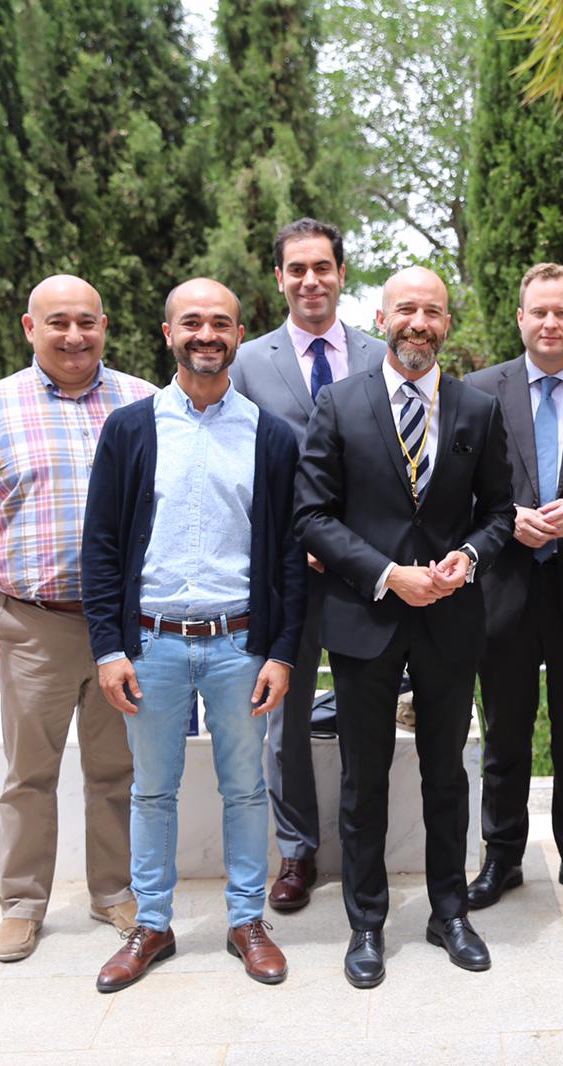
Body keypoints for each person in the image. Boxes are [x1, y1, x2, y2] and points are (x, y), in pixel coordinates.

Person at [82, 278, 305, 991]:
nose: (206, 334)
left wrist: (282, 652)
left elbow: (289, 556)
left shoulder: (271, 436)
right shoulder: (131, 429)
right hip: (152, 645)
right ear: (167, 332)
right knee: (152, 792)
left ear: (239, 334)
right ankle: (151, 923)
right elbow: (102, 547)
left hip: (240, 643)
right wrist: (109, 648)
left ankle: (247, 922)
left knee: (246, 790)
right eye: (192, 322)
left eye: (220, 323)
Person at [0, 274, 153, 963]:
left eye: (86, 322)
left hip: (124, 625)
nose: (74, 336)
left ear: (104, 325)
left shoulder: (144, 401)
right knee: (29, 775)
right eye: (58, 322)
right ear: (30, 327)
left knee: (116, 770)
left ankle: (115, 892)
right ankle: (21, 905)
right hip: (34, 625)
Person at [294, 266, 514, 988]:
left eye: (434, 311)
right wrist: (389, 574)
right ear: (382, 317)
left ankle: (450, 912)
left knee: (446, 775)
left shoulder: (478, 410)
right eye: (407, 309)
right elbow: (312, 515)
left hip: (451, 619)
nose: (420, 322)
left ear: (447, 323)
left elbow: (499, 513)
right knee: (363, 781)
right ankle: (366, 923)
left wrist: (468, 557)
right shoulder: (339, 403)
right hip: (366, 617)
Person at [231, 217, 387, 913]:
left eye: (322, 267)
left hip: (367, 572)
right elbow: (238, 467)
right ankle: (296, 851)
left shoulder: (382, 354)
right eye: (296, 269)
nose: (310, 280)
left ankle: (362, 845)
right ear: (279, 279)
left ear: (341, 273)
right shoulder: (247, 364)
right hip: (287, 573)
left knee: (364, 714)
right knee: (284, 719)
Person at [462, 263, 563, 912]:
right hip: (506, 585)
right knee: (505, 733)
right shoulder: (478, 391)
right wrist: (506, 520)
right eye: (539, 312)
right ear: (520, 318)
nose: (550, 323)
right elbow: (456, 490)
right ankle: (502, 857)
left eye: (562, 312)